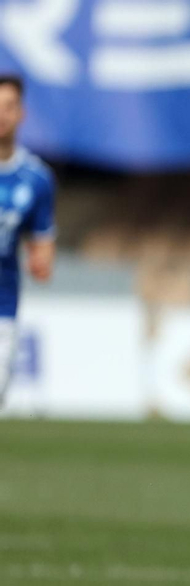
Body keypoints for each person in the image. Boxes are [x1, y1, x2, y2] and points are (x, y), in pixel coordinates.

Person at [0, 74, 56, 406]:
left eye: (9, 106)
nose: (1, 115)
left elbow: (43, 241)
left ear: (22, 113)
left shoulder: (36, 179)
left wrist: (42, 261)